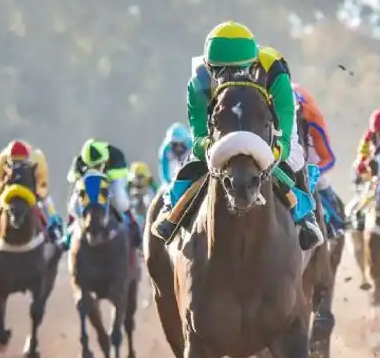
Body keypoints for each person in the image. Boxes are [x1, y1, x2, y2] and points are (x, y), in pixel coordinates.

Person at [150, 20, 324, 250]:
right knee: (194, 160)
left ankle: (305, 214)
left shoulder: (275, 72)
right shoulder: (199, 83)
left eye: (238, 71)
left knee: (293, 158)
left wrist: (276, 149)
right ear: (209, 67)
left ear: (253, 66)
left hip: (269, 118)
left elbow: (283, 133)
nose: (230, 78)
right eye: (221, 72)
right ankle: (171, 208)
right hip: (222, 125)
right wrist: (213, 148)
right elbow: (199, 138)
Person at [0, 140, 63, 244]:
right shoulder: (2, 158)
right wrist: (3, 186)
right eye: (14, 162)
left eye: (21, 162)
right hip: (6, 191)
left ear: (28, 158)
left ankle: (54, 228)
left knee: (48, 203)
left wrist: (36, 191)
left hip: (31, 190)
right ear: (9, 158)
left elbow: (43, 183)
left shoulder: (37, 158)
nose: (17, 165)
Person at [64, 139, 140, 249]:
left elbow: (122, 173)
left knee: (118, 195)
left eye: (98, 165)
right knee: (74, 199)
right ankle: (69, 229)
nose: (95, 168)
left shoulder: (116, 156)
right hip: (92, 181)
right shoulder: (80, 160)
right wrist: (80, 175)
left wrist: (106, 174)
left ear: (105, 160)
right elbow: (71, 177)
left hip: (115, 177)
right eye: (91, 166)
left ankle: (131, 222)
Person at [292, 82, 345, 238]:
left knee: (320, 181)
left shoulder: (312, 121)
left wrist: (313, 173)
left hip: (308, 152)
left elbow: (329, 158)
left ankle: (335, 222)